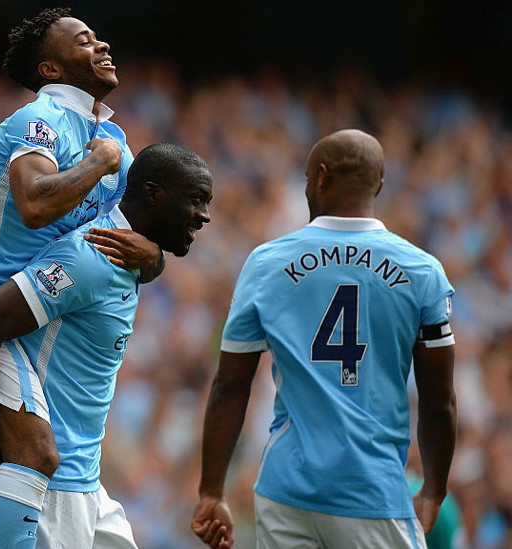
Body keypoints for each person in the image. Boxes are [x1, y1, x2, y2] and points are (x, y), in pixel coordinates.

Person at [0, 6, 162, 526]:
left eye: (98, 36)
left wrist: (155, 258)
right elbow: (33, 202)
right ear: (50, 69)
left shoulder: (110, 137)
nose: (102, 45)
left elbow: (141, 230)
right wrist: (97, 164)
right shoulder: (38, 121)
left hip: (7, 320)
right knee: (32, 457)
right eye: (84, 41)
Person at [191, 129, 457, 549]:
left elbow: (229, 385)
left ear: (320, 177)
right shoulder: (422, 271)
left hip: (285, 492)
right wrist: (434, 489)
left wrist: (212, 491)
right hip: (373, 491)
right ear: (380, 184)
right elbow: (439, 401)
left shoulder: (266, 264)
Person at [0, 144, 213, 549]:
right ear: (154, 194)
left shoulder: (126, 256)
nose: (205, 215)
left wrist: (155, 259)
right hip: (45, 482)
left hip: (82, 480)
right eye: (196, 200)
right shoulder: (89, 257)